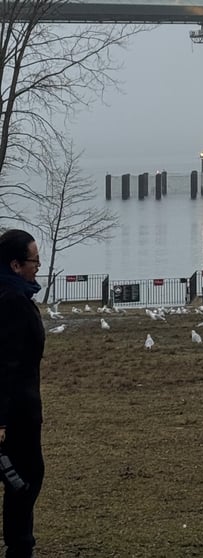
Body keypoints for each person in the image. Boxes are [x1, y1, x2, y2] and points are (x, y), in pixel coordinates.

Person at [0, 230, 45, 558]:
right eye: (34, 261)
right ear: (15, 265)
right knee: (24, 478)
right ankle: (20, 547)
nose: (38, 266)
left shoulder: (13, 295)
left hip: (19, 408)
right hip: (16, 412)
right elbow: (5, 364)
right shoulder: (12, 302)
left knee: (21, 478)